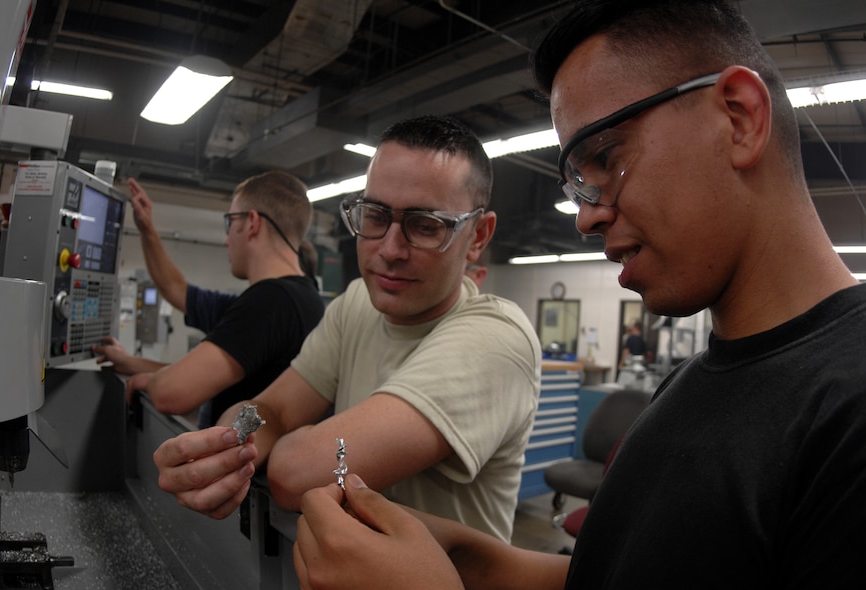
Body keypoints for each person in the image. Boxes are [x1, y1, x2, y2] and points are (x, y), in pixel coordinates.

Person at [292, 1, 866, 588]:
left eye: (607, 158)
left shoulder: (848, 409)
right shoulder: (688, 388)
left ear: (738, 119)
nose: (585, 218)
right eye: (577, 180)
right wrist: (467, 558)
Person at [152, 115, 541, 541]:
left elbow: (294, 474)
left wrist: (289, 447)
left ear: (479, 235)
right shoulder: (357, 303)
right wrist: (232, 444)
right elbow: (272, 409)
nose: (390, 250)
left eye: (426, 225)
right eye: (375, 215)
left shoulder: (496, 339)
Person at [92, 173, 325, 428]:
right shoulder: (302, 297)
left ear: (253, 223)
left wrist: (149, 380)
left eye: (230, 221)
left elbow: (173, 391)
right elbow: (176, 290)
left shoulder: (271, 302)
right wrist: (147, 228)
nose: (226, 239)